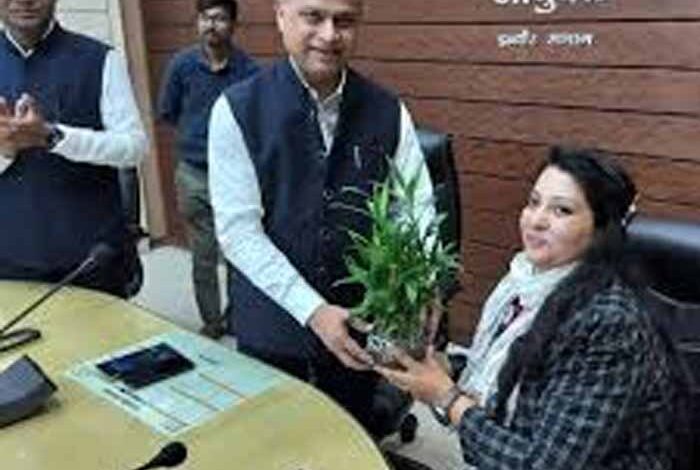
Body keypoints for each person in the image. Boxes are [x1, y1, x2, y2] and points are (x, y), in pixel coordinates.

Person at [208, 0, 435, 437]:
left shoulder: (388, 110)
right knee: (272, 444)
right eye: (313, 16)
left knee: (350, 440)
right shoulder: (237, 108)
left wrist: (420, 282)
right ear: (281, 16)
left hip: (359, 327)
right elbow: (238, 233)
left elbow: (415, 209)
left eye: (344, 21)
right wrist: (312, 311)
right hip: (272, 327)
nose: (330, 35)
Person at [378, 147, 675, 469]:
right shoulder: (527, 281)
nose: (536, 220)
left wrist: (447, 398)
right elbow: (514, 376)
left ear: (601, 230)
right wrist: (446, 368)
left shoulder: (608, 323)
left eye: (561, 210)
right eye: (534, 202)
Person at [0, 0, 148, 297]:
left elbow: (134, 147)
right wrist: (5, 150)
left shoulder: (100, 59)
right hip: (9, 258)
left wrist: (53, 137)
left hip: (91, 258)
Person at [158, 0, 258, 339]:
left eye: (219, 18)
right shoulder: (181, 65)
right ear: (197, 22)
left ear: (233, 24)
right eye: (205, 17)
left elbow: (255, 123)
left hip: (234, 177)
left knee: (238, 253)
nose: (211, 25)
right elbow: (169, 112)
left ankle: (238, 317)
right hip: (194, 174)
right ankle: (212, 321)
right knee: (203, 254)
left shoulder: (249, 72)